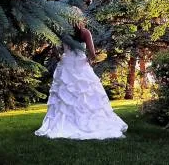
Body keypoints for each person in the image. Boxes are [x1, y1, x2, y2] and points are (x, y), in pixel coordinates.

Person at [35, 9, 128, 140]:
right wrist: (93, 59)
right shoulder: (85, 33)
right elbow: (92, 54)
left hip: (66, 64)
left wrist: (61, 58)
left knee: (65, 94)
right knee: (86, 94)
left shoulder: (62, 32)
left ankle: (63, 123)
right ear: (80, 18)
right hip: (80, 64)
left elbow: (54, 50)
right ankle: (86, 121)